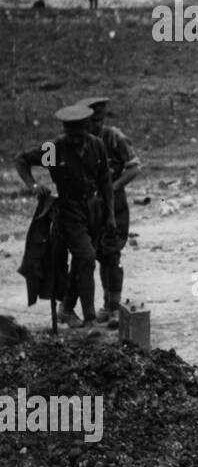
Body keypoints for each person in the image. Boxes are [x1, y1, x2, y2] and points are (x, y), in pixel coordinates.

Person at [14, 105, 115, 328]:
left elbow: (105, 182)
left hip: (92, 210)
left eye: (79, 135)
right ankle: (90, 320)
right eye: (71, 135)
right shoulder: (55, 149)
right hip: (68, 211)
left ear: (87, 128)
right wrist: (33, 185)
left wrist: (110, 216)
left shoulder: (97, 146)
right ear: (64, 131)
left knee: (81, 262)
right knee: (87, 258)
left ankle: (67, 309)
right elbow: (21, 161)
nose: (75, 140)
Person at [82, 96, 141, 326]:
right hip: (90, 207)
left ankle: (115, 307)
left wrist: (112, 188)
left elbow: (135, 167)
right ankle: (106, 306)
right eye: (90, 121)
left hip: (114, 205)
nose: (95, 125)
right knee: (98, 255)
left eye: (99, 120)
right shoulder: (80, 140)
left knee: (112, 255)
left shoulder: (114, 136)